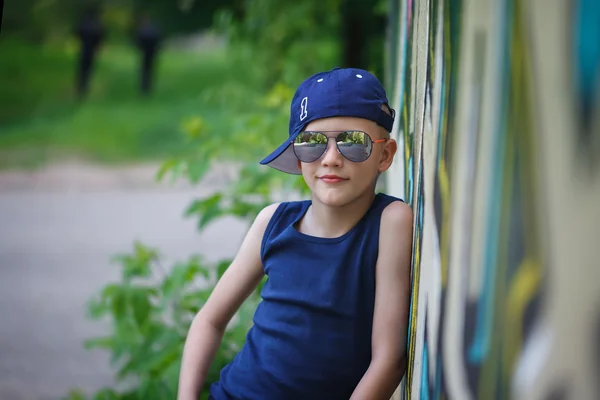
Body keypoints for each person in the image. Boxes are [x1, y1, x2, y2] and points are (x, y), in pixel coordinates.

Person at [177, 67, 413, 400]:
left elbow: (389, 360)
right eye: (313, 143)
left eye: (353, 143)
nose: (331, 159)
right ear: (298, 158)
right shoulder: (272, 222)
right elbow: (210, 320)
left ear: (384, 155)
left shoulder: (390, 222)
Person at [74, 5, 105, 98]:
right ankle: (85, 85)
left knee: (82, 67)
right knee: (89, 68)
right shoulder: (96, 25)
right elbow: (99, 37)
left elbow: (78, 33)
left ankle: (81, 85)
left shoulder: (84, 23)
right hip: (91, 50)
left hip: (83, 48)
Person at [133, 13, 161, 96]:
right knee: (149, 70)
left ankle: (144, 87)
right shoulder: (154, 29)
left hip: (145, 52)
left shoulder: (142, 30)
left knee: (144, 70)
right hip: (151, 52)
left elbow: (138, 41)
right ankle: (147, 86)